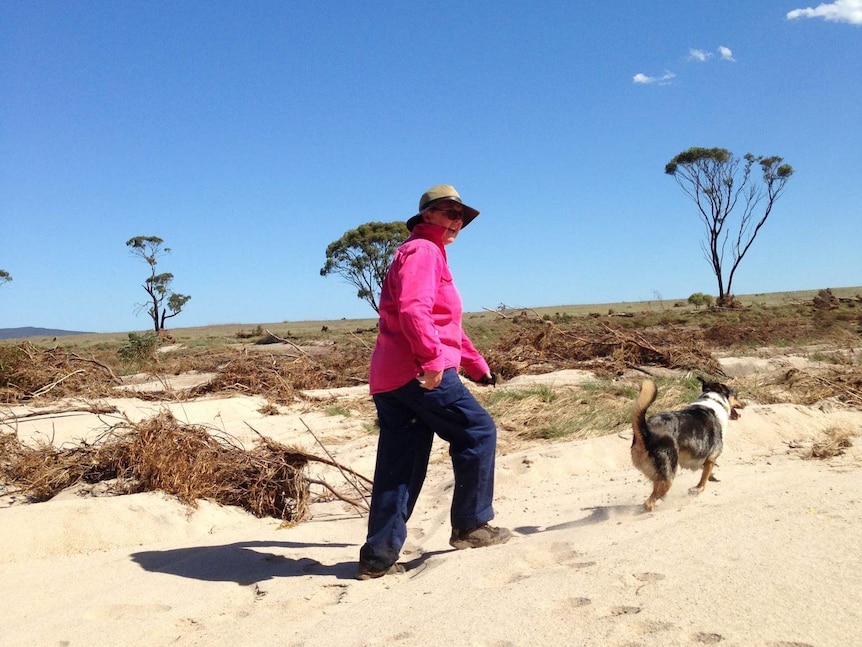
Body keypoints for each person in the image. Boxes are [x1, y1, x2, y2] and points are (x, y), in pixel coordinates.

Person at [356, 184, 511, 580]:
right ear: (426, 216)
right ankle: (471, 525)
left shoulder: (421, 253)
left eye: (462, 216)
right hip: (419, 373)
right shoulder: (424, 251)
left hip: (391, 378)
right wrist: (429, 359)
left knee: (401, 464)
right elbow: (413, 310)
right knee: (477, 431)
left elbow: (445, 324)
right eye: (448, 212)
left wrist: (475, 364)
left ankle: (377, 558)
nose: (456, 221)